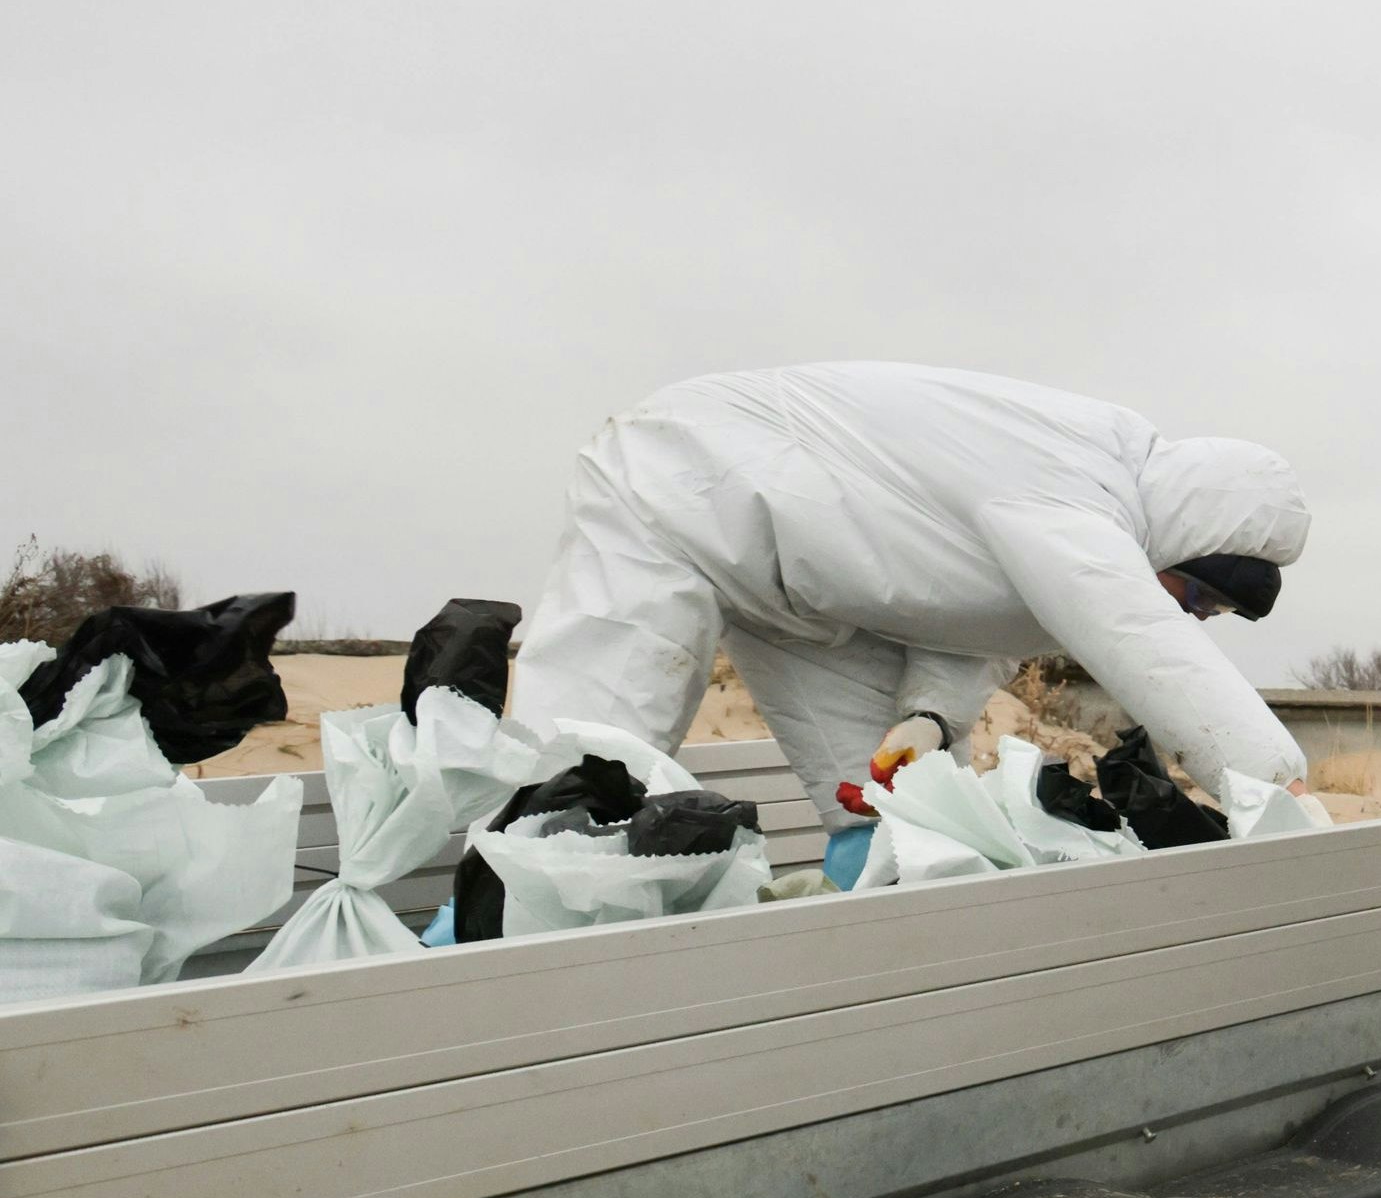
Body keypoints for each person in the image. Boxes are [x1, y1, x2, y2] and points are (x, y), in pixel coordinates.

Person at [512, 362, 1312, 884]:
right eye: (1197, 595)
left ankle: (865, 989)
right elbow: (1136, 633)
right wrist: (1280, 789)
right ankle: (476, 948)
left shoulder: (1088, 518)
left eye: (1213, 613)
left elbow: (977, 621)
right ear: (1180, 537)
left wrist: (929, 717)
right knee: (572, 787)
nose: (1192, 615)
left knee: (901, 819)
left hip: (809, 596)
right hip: (678, 485)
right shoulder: (1079, 482)